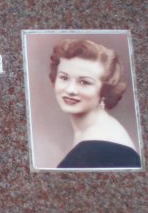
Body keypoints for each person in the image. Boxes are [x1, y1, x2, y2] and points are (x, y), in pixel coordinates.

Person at [49, 39, 141, 169]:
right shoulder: (98, 130)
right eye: (64, 78)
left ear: (105, 90)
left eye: (84, 82)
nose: (70, 90)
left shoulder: (97, 147)